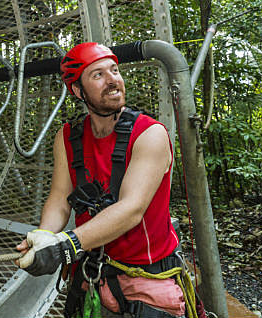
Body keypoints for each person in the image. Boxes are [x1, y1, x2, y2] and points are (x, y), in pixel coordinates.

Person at [15, 43, 190, 318]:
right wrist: (45, 237)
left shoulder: (149, 134)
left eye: (115, 70)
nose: (113, 81)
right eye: (98, 75)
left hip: (146, 281)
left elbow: (132, 209)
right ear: (77, 91)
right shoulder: (68, 137)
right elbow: (61, 198)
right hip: (92, 276)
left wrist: (67, 244)